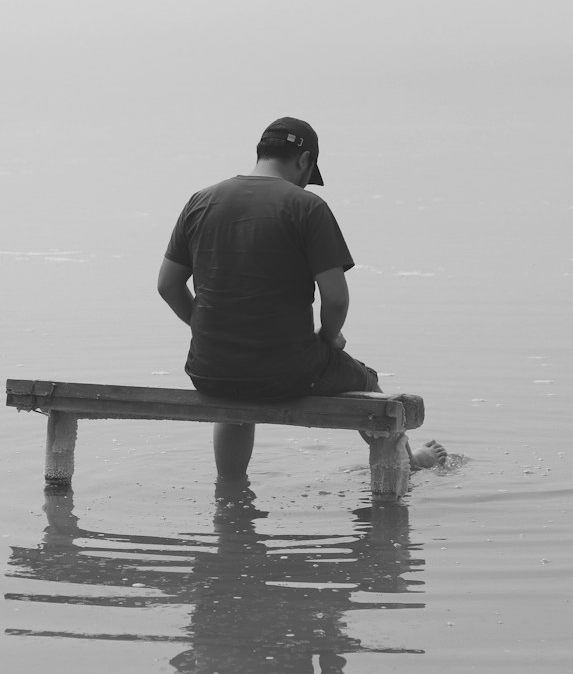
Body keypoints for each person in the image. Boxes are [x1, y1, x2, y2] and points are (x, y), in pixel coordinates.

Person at [157, 117, 445, 478]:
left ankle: (230, 489)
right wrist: (327, 340)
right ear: (305, 160)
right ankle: (408, 463)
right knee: (368, 384)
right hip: (287, 372)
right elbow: (336, 299)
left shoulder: (200, 201)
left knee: (235, 407)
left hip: (210, 371)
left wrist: (205, 327)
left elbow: (167, 285)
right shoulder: (307, 207)